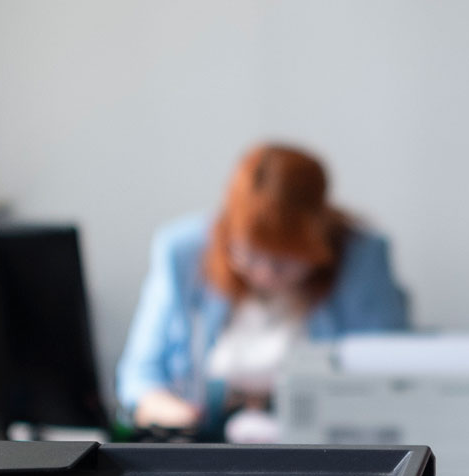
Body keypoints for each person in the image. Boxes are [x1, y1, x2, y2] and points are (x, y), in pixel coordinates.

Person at [116, 143, 409, 438]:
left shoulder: (361, 257)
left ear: (319, 238)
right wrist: (169, 411)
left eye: (285, 261)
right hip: (205, 441)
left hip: (320, 445)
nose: (265, 273)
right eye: (250, 255)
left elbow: (387, 375)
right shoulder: (183, 252)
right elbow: (140, 374)